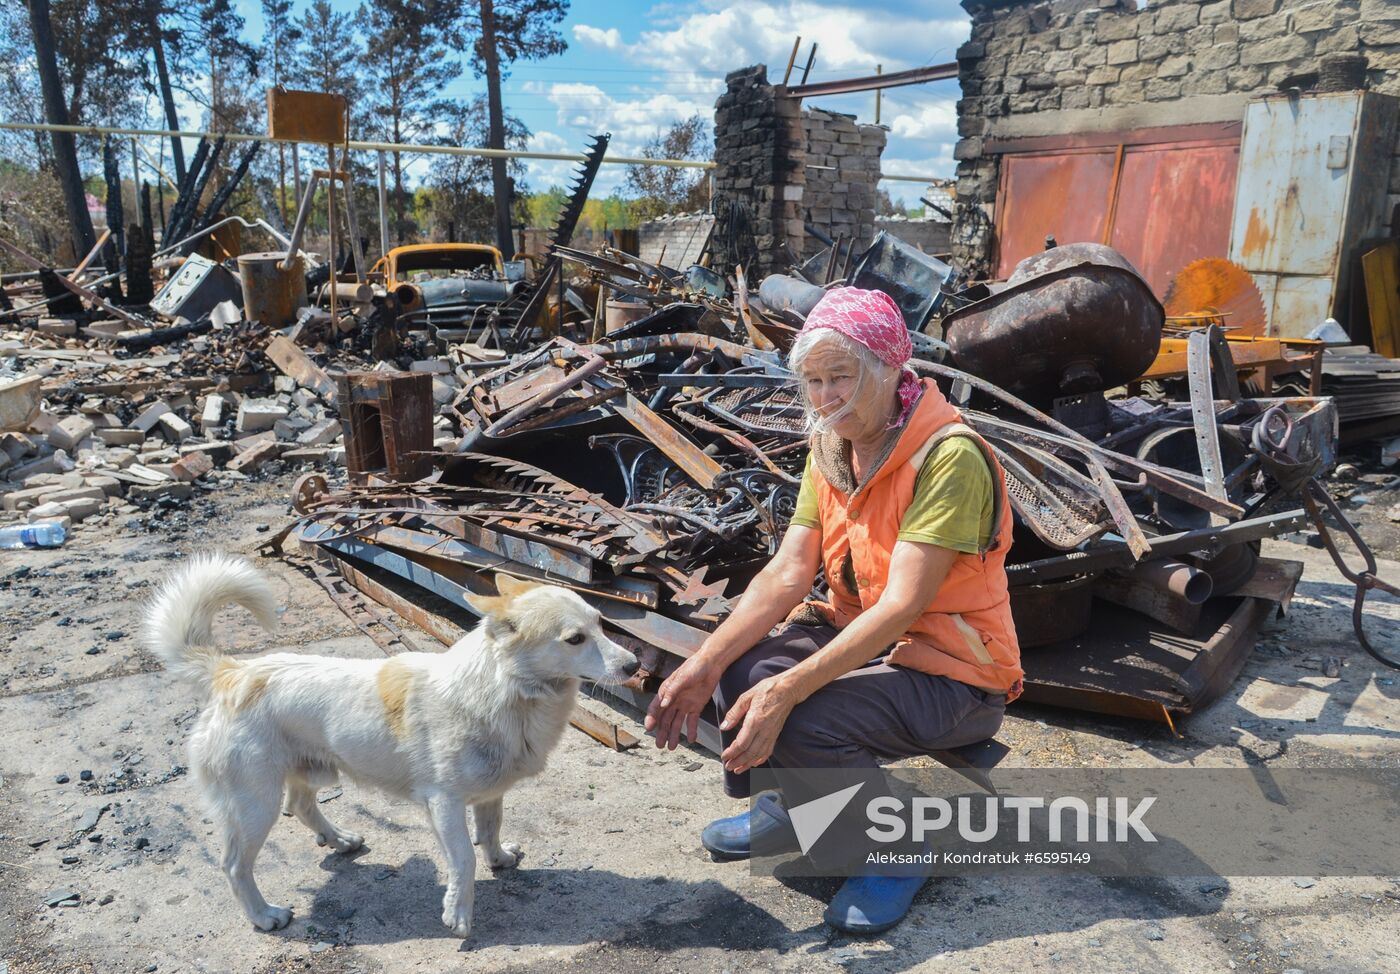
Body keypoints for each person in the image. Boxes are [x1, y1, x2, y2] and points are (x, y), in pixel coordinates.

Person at [645, 286, 1024, 935]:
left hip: (956, 672)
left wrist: (788, 690)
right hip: (872, 640)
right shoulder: (831, 448)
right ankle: (796, 807)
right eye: (814, 381)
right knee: (739, 670)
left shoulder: (948, 456)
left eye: (841, 377)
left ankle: (896, 850)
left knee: (803, 714)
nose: (825, 397)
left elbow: (902, 606)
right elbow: (788, 572)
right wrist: (704, 662)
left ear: (891, 369)